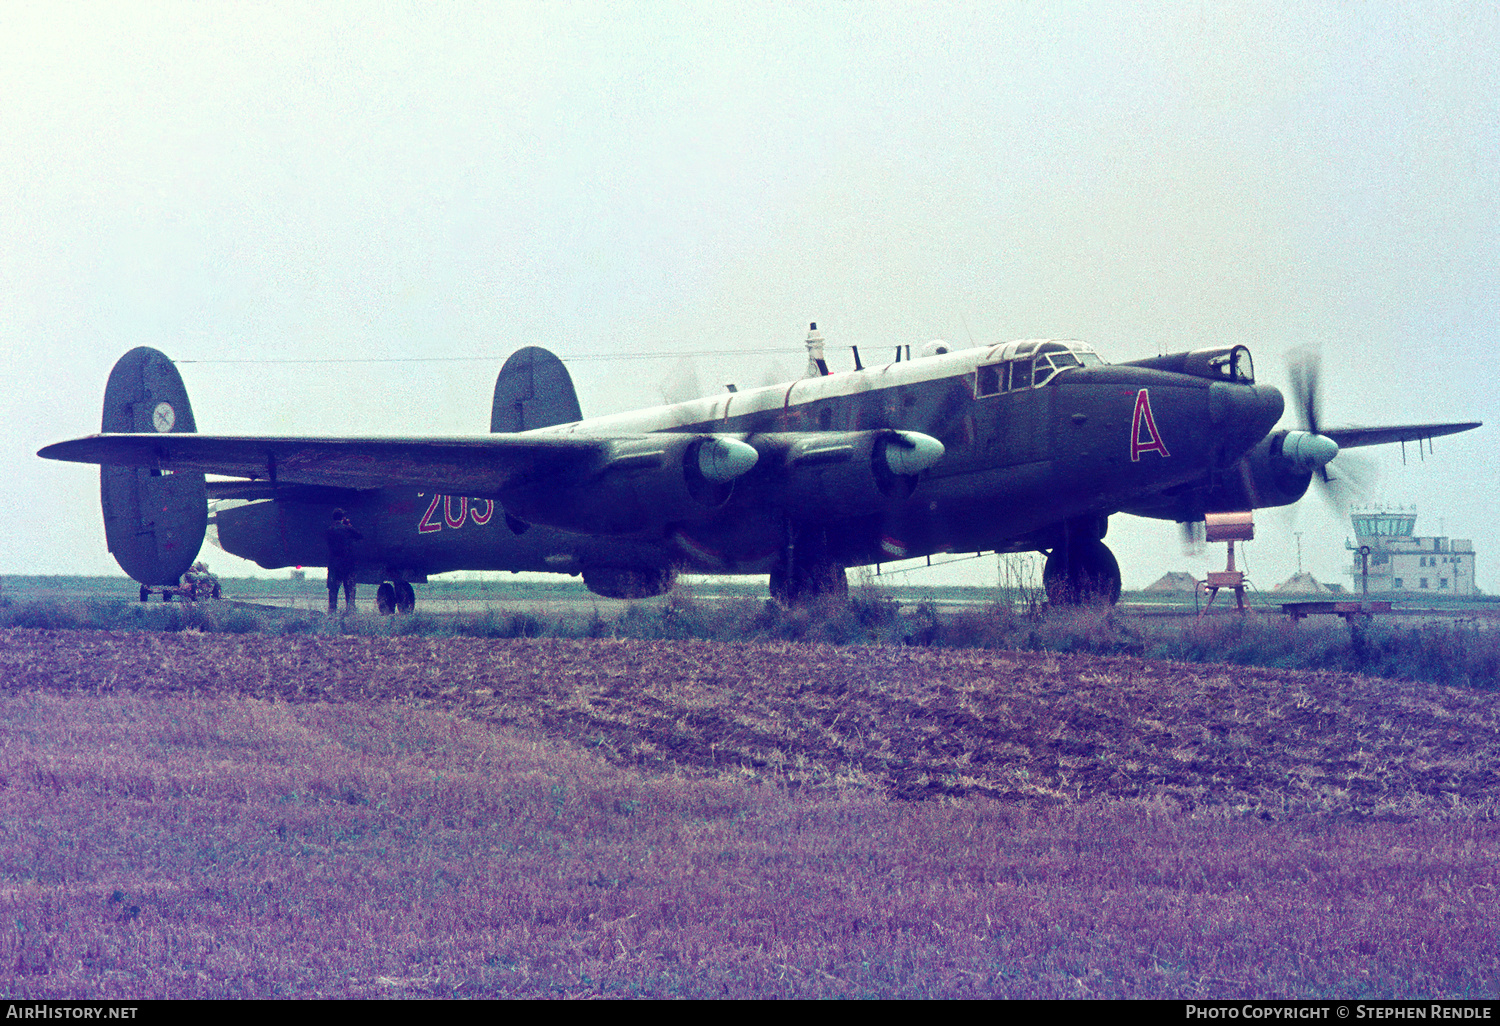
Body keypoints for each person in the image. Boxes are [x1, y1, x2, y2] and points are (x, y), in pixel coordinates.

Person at [325, 508, 363, 612]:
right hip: (347, 563)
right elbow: (359, 536)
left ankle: (332, 611)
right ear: (342, 518)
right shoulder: (347, 529)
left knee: (333, 590)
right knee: (349, 590)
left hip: (334, 564)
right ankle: (350, 610)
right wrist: (348, 525)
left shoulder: (329, 530)